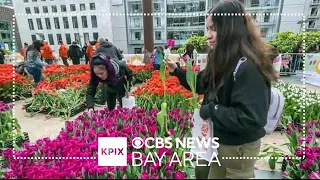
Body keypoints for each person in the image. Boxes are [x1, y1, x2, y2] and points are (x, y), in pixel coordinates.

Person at [165, 0, 277, 179]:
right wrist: (177, 72)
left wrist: (211, 109)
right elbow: (202, 83)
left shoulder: (249, 67)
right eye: (208, 29)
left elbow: (251, 118)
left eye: (214, 29)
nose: (208, 35)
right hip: (216, 137)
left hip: (237, 146)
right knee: (202, 172)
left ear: (231, 29)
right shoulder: (223, 59)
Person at [93, 38, 123, 106]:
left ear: (100, 42)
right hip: (115, 67)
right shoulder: (113, 46)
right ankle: (119, 100)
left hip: (105, 68)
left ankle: (103, 101)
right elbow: (120, 57)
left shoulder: (99, 49)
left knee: (105, 84)